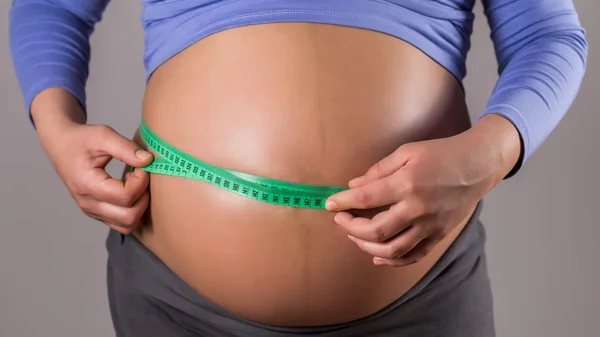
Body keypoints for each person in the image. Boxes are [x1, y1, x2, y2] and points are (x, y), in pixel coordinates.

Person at [8, 0, 587, 336]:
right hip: (176, 300)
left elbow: (548, 33)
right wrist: (57, 124)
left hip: (421, 297)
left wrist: (488, 155)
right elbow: (52, 3)